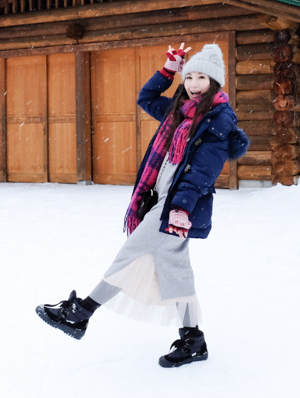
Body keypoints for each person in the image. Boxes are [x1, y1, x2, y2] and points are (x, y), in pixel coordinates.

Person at [36, 42, 249, 368]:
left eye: (201, 78)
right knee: (176, 271)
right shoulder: (181, 111)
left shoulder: (219, 120)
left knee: (131, 252)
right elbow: (146, 98)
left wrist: (179, 209)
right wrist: (167, 70)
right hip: (163, 200)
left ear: (215, 82)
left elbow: (202, 174)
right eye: (188, 76)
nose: (192, 84)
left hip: (176, 207)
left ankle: (80, 314)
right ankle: (193, 340)